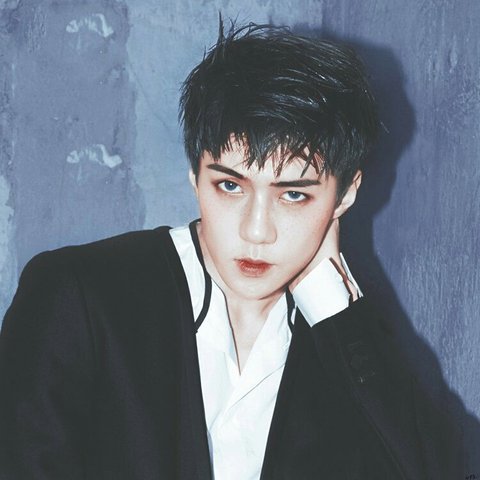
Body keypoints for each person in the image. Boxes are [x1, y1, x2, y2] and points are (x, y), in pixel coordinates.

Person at [0, 21, 461, 479]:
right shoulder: (79, 297)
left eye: (293, 194)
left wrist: (333, 302)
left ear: (345, 195)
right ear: (195, 176)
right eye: (230, 186)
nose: (256, 231)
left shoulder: (342, 343)